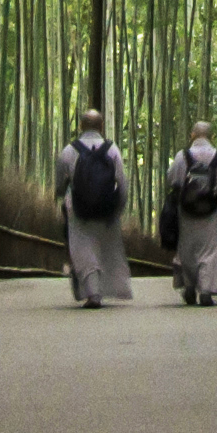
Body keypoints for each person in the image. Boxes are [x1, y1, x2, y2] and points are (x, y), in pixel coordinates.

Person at [54, 109, 134, 307]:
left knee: (82, 249)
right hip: (107, 208)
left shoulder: (69, 151)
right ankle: (107, 289)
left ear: (81, 126)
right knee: (106, 248)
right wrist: (118, 207)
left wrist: (59, 196)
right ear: (101, 126)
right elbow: (122, 183)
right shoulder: (112, 149)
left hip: (78, 208)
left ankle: (93, 293)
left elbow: (58, 185)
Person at [165, 124, 217, 306]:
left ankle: (189, 287)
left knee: (187, 249)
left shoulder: (182, 156)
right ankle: (206, 290)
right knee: (211, 250)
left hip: (186, 211)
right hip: (211, 210)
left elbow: (171, 179)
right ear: (211, 136)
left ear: (192, 135)